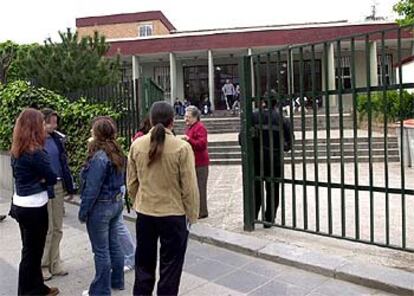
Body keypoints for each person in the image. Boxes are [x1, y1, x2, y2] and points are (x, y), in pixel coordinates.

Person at [127, 101, 199, 296]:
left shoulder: (137, 145)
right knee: (171, 268)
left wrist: (138, 201)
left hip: (145, 212)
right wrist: (191, 215)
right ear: (172, 121)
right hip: (173, 214)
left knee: (143, 263)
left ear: (150, 120)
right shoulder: (182, 147)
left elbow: (131, 182)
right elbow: (189, 188)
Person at [9, 108, 59, 296]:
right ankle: (26, 292)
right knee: (32, 254)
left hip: (21, 204)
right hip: (35, 207)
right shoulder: (36, 152)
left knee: (30, 250)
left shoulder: (16, 149)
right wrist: (43, 180)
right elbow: (52, 177)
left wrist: (41, 179)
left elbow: (20, 176)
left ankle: (39, 288)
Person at [78, 116, 125, 296]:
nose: (90, 132)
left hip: (101, 207)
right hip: (115, 202)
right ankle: (117, 280)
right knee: (114, 244)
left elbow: (92, 188)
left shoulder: (99, 157)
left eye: (92, 130)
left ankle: (100, 291)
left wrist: (83, 212)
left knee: (101, 250)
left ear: (97, 133)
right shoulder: (117, 152)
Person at [244, 101, 292, 228]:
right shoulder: (282, 119)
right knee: (273, 190)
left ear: (263, 102)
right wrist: (280, 146)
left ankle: (253, 216)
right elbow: (289, 144)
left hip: (257, 159)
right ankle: (269, 219)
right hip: (274, 160)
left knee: (256, 189)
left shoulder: (253, 116)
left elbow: (242, 139)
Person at [40, 108, 75, 281]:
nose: (55, 125)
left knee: (58, 226)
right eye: (51, 122)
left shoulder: (56, 139)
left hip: (59, 184)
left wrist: (70, 187)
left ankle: (55, 262)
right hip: (45, 186)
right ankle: (44, 265)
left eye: (55, 122)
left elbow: (63, 163)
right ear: (43, 122)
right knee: (47, 228)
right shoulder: (36, 141)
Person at [184, 106, 210, 219]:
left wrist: (189, 140)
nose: (186, 119)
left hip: (201, 163)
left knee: (200, 187)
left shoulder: (200, 128)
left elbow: (202, 144)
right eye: (185, 116)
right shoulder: (190, 127)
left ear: (195, 117)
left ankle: (202, 211)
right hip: (194, 161)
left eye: (188, 117)